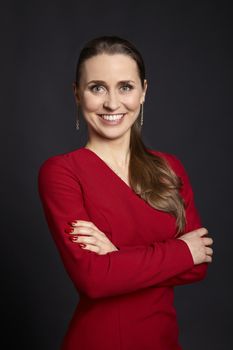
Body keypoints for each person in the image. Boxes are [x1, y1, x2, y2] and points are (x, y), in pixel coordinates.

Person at [38, 35, 213, 350]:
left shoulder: (169, 167)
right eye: (97, 87)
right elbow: (93, 279)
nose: (112, 103)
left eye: (125, 87)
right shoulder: (62, 172)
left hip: (165, 340)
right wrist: (180, 251)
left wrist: (116, 257)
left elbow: (200, 264)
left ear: (144, 91)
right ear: (77, 94)